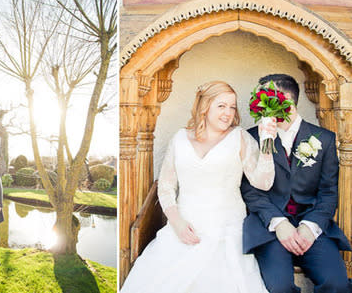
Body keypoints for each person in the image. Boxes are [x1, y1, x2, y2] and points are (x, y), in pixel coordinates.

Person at [121, 80, 277, 293]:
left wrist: (267, 145)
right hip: (184, 229)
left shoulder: (239, 137)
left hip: (227, 232)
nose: (228, 113)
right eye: (221, 106)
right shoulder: (179, 138)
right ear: (205, 106)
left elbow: (263, 183)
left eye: (232, 107)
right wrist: (176, 222)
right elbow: (166, 186)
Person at [241, 74, 352, 293]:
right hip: (270, 228)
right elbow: (250, 190)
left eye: (268, 102)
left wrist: (310, 227)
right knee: (279, 286)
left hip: (313, 225)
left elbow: (328, 192)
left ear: (289, 103)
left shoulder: (324, 139)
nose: (264, 109)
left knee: (337, 284)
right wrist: (279, 223)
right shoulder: (252, 138)